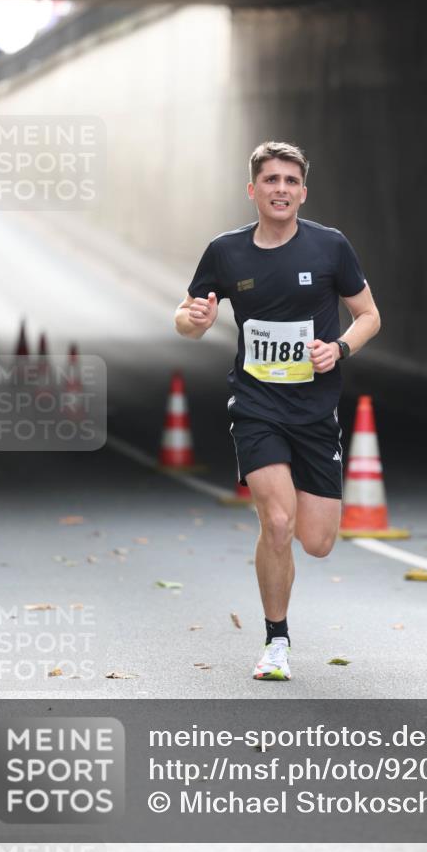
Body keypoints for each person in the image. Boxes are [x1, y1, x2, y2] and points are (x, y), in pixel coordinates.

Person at [174, 141, 381, 680]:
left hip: (315, 410)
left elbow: (368, 315)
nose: (281, 189)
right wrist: (195, 318)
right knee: (279, 521)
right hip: (256, 404)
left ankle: (279, 561)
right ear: (253, 190)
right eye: (271, 180)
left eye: (291, 181)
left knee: (316, 542)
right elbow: (186, 318)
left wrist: (339, 348)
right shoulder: (226, 252)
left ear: (303, 192)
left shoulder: (331, 248)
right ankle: (276, 641)